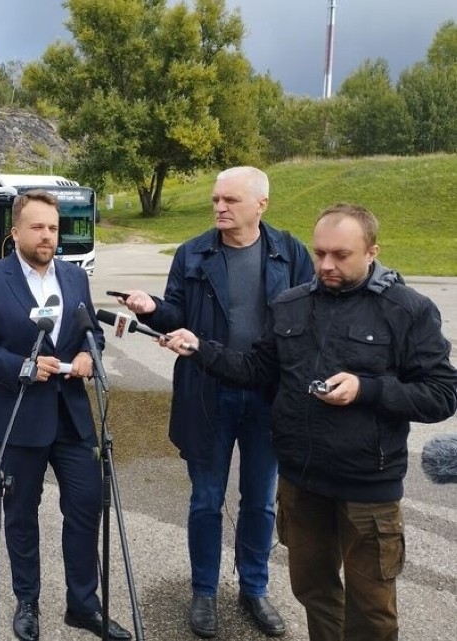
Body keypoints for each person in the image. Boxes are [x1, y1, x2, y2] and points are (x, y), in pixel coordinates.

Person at [164, 203, 457, 641]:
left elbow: (441, 393)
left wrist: (367, 389)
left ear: (372, 251)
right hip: (302, 483)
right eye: (319, 253)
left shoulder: (407, 309)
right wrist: (201, 349)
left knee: (371, 611)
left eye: (340, 255)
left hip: (367, 489)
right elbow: (255, 370)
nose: (325, 265)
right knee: (313, 592)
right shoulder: (291, 304)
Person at [119, 166, 314, 638]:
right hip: (208, 392)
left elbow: (310, 319)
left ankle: (254, 588)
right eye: (215, 200)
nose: (220, 208)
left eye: (230, 200)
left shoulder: (290, 254)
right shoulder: (192, 253)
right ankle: (204, 592)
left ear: (261, 205)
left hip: (268, 397)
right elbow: (176, 313)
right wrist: (152, 309)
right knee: (206, 500)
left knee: (261, 503)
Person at [0, 190, 131, 641]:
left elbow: (92, 334)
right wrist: (23, 367)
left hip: (72, 416)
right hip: (19, 417)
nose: (47, 235)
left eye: (53, 227)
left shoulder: (74, 278)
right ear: (15, 232)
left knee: (86, 505)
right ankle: (27, 601)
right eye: (37, 227)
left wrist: (89, 353)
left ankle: (83, 605)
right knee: (21, 514)